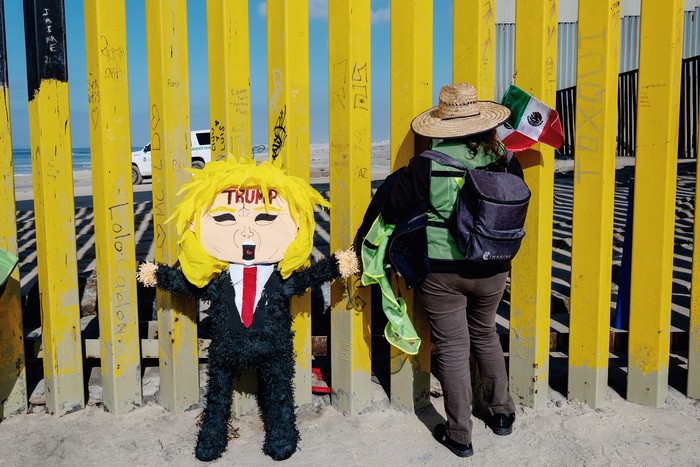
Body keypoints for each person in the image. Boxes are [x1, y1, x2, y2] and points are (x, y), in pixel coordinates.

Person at [380, 82, 518, 458]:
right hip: (493, 266)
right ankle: (502, 413)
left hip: (442, 272)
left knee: (454, 349)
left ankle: (460, 433)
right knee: (486, 335)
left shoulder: (427, 165)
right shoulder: (505, 158)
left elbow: (393, 208)